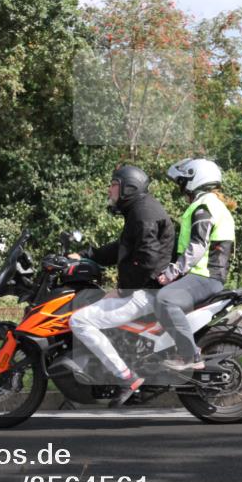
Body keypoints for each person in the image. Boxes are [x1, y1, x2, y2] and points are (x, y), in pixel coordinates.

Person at [68, 164, 175, 405]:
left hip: (146, 292)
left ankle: (125, 376)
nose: (110, 189)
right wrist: (88, 255)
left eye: (114, 184)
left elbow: (147, 260)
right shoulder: (139, 210)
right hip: (147, 289)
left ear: (128, 187)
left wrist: (122, 290)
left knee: (79, 320)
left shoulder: (143, 214)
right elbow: (122, 249)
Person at [155, 158, 236, 371]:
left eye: (183, 181)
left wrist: (173, 272)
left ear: (196, 179)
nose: (181, 187)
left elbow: (198, 246)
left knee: (165, 300)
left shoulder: (204, 206)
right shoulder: (211, 204)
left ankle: (189, 355)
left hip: (205, 276)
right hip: (207, 276)